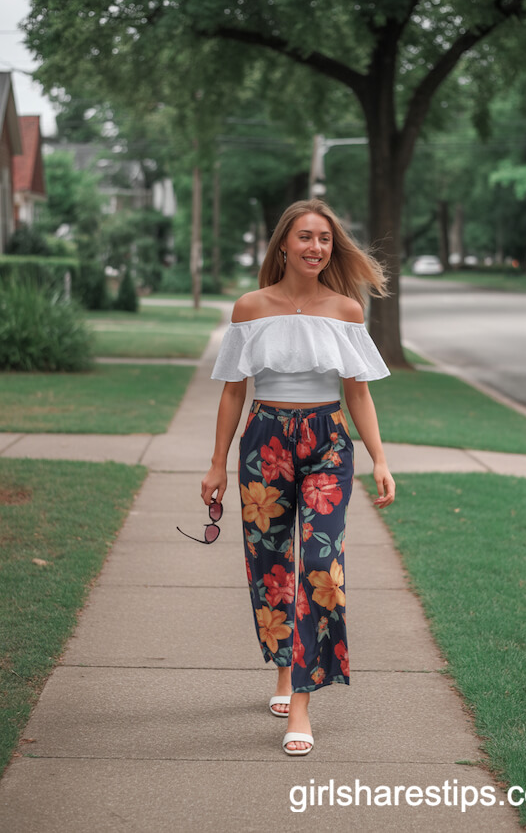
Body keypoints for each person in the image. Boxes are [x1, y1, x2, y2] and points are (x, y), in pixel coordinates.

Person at [201, 199, 395, 756]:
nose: (316, 248)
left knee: (319, 566)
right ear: (283, 243)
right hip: (265, 440)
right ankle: (284, 667)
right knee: (271, 567)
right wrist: (217, 462)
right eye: (306, 237)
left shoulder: (345, 310)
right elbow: (233, 389)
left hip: (327, 442)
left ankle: (302, 702)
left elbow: (357, 389)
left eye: (326, 240)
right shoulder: (250, 308)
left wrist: (379, 458)